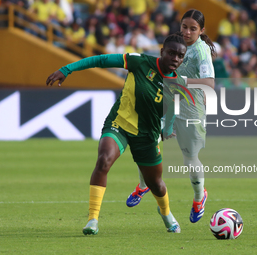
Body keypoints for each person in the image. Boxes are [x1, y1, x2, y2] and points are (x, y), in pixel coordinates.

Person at [46, 32, 188, 235]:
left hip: (147, 135)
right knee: (104, 160)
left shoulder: (179, 85)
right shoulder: (139, 62)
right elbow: (102, 60)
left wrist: (167, 130)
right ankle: (92, 220)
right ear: (162, 51)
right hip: (119, 123)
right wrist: (67, 69)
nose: (175, 59)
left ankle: (165, 213)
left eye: (180, 55)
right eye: (171, 53)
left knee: (156, 184)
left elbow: (172, 112)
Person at [126, 9, 216, 224]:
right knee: (146, 145)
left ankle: (198, 197)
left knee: (190, 159)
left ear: (201, 31)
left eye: (193, 29)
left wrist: (182, 83)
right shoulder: (176, 43)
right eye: (184, 26)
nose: (187, 32)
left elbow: (210, 84)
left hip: (190, 108)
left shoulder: (201, 52)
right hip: (167, 103)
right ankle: (144, 184)